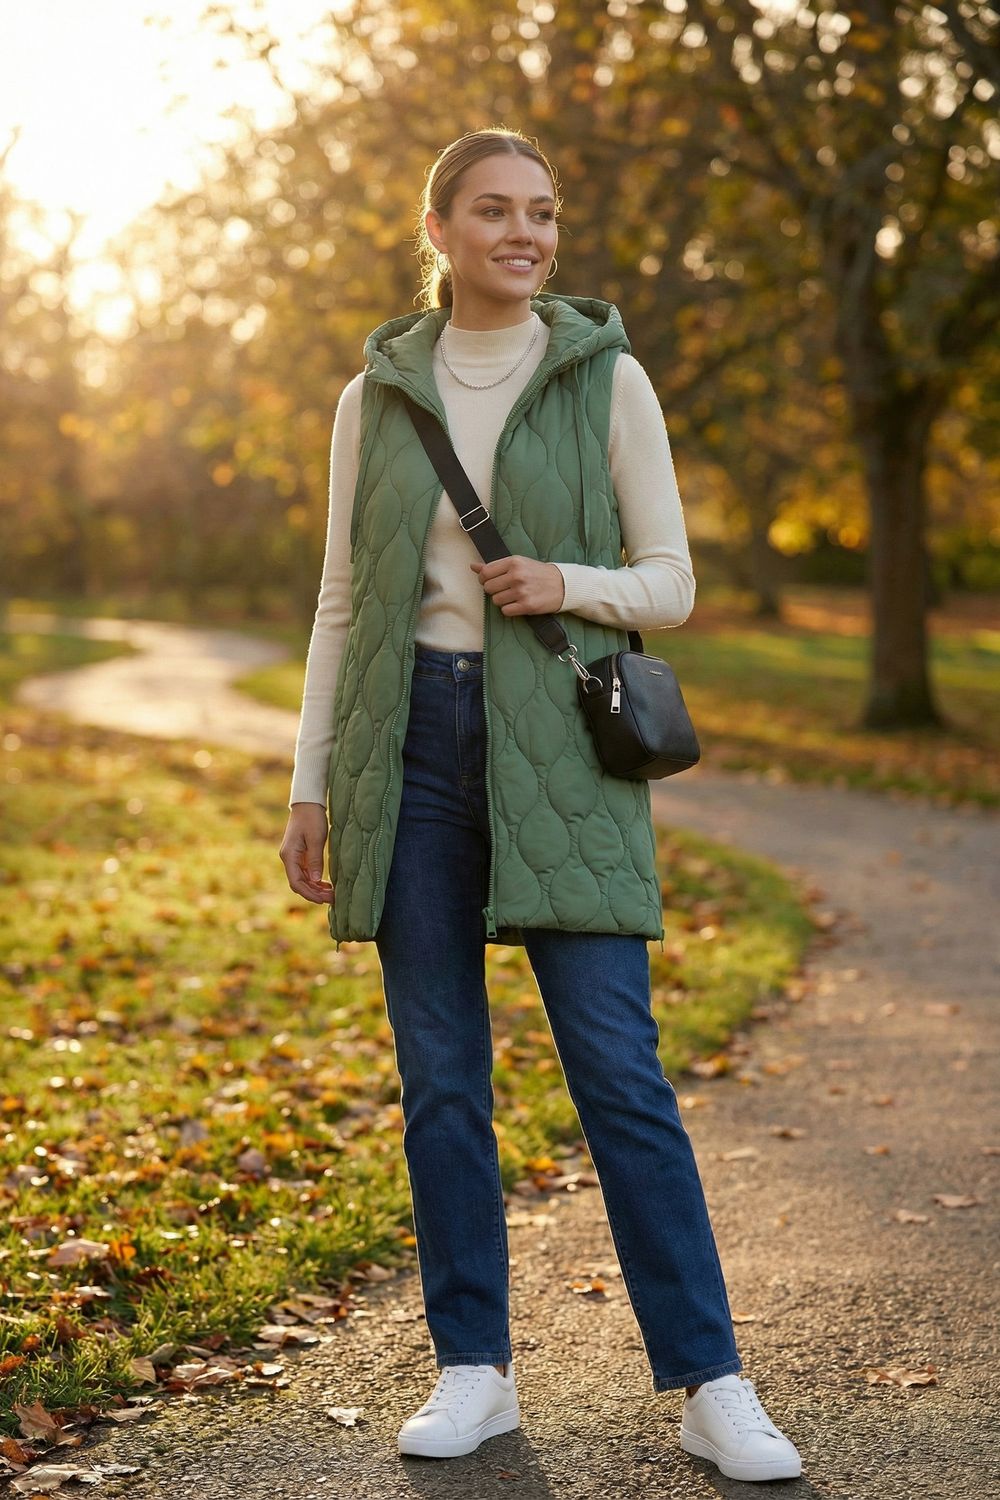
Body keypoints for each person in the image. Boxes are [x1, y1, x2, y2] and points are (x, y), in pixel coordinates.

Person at [279, 127, 801, 1483]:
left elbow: (672, 582)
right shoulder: (373, 399)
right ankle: (476, 1371)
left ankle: (710, 1382)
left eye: (546, 214)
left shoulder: (607, 375)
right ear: (440, 228)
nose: (528, 234)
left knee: (621, 1076)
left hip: (560, 754)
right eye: (498, 212)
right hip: (413, 747)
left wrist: (565, 583)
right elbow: (341, 603)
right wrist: (310, 783)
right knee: (441, 1082)